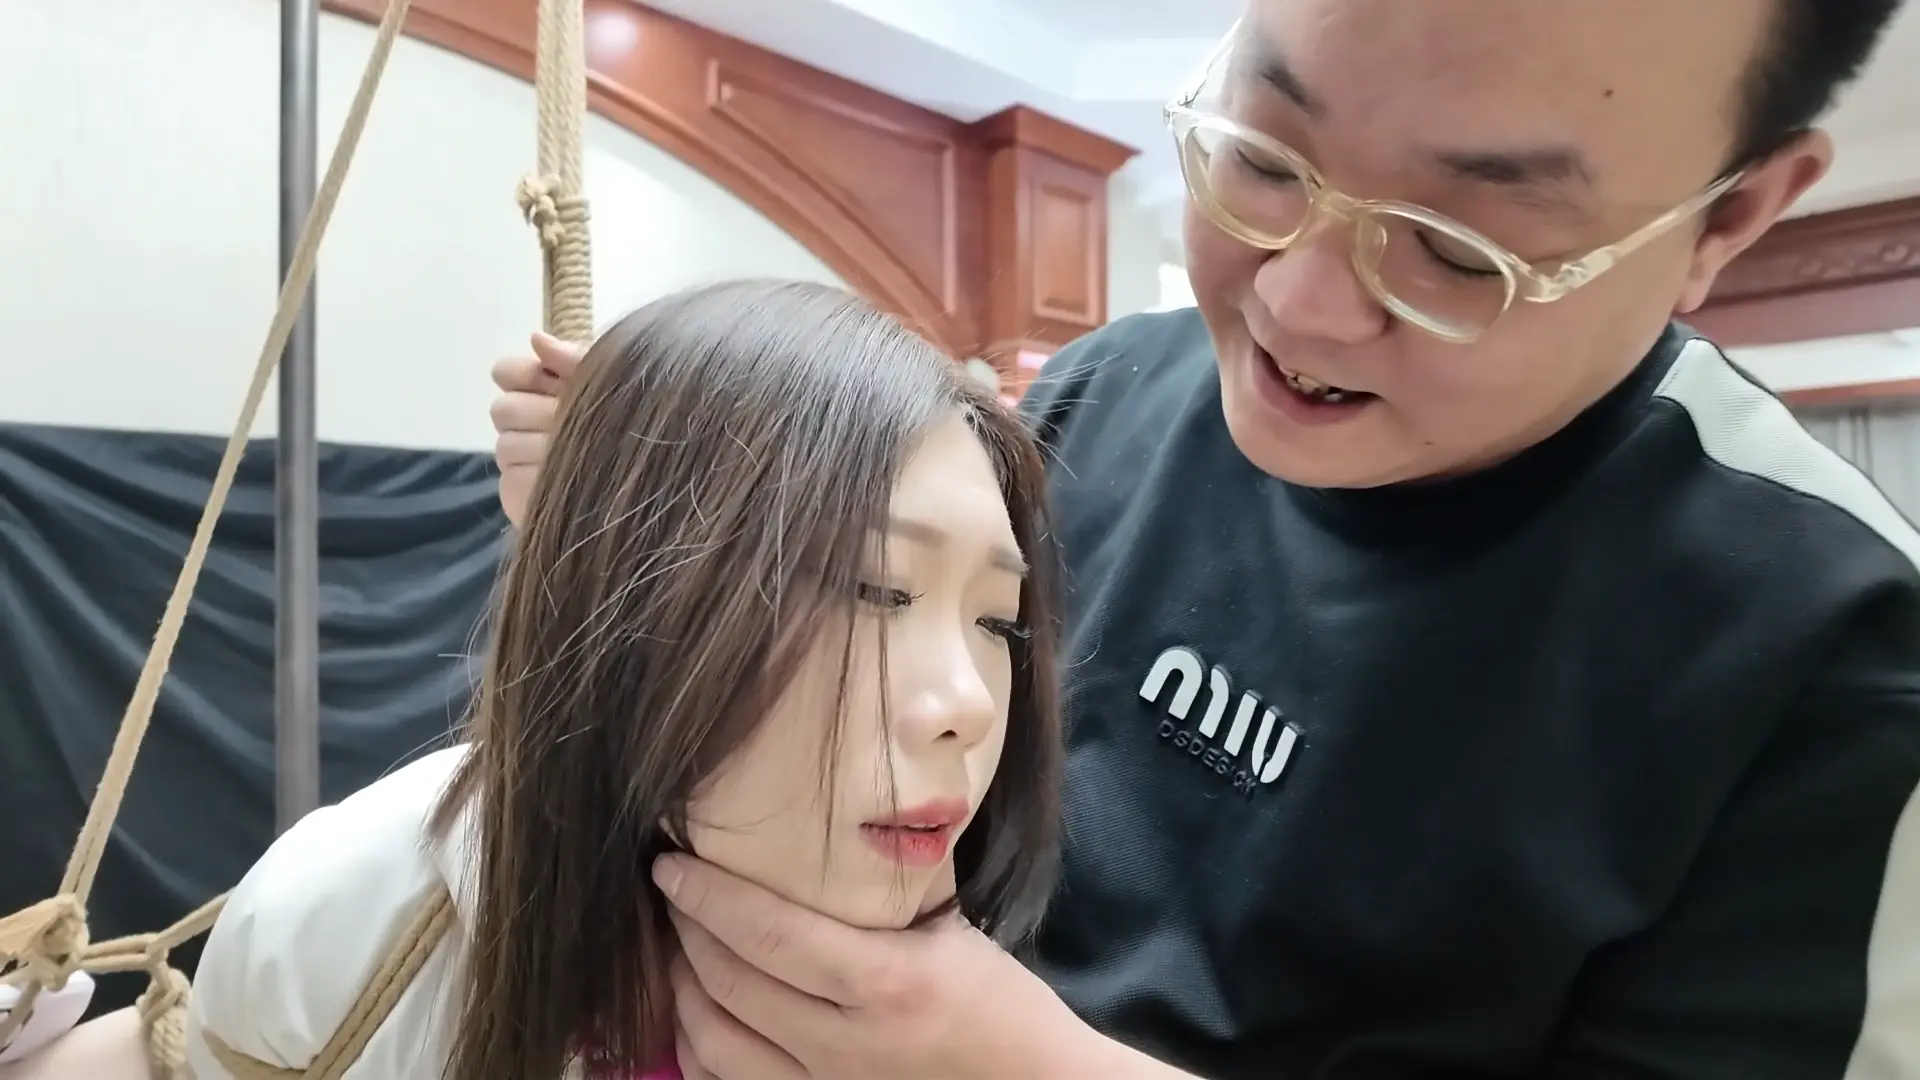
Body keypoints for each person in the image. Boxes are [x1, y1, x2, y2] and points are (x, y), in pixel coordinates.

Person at [491, 1, 1920, 1078]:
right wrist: (673, 542)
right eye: (1265, 158)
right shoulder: (1110, 392)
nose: (1297, 306)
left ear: (1731, 218)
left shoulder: (1842, 657)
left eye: (1455, 250)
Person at [171, 279, 1062, 1079]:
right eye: (877, 590)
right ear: (640, 594)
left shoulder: (1010, 1013)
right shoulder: (344, 921)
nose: (970, 706)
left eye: (997, 622)